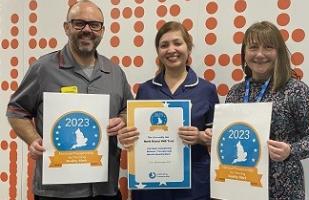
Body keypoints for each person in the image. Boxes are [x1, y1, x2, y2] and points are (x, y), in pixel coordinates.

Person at [6, 1, 133, 199]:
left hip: (104, 188)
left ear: (102, 30)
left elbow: (127, 109)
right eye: (79, 23)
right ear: (67, 27)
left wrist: (123, 120)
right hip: (56, 191)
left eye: (94, 25)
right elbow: (16, 111)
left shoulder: (115, 72)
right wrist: (33, 140)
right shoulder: (43, 68)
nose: (87, 30)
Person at [117, 21, 219, 200]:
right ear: (158, 52)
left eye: (177, 43)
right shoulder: (145, 90)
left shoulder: (207, 89)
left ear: (188, 47)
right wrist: (126, 137)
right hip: (151, 186)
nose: (171, 49)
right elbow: (137, 136)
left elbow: (218, 138)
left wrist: (201, 137)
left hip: (194, 185)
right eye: (164, 45)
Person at [225, 21, 309, 199]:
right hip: (242, 185)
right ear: (244, 53)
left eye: (268, 47)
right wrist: (215, 135)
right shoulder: (235, 92)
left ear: (278, 52)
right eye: (253, 47)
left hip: (283, 190)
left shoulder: (296, 90)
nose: (260, 54)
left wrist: (290, 150)